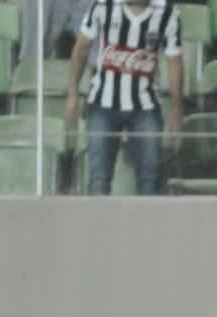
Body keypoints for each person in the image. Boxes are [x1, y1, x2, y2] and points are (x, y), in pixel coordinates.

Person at [66, 0, 184, 195]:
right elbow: (81, 49)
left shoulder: (167, 12)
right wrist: (72, 93)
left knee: (150, 181)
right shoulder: (103, 5)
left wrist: (176, 108)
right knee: (98, 180)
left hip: (146, 106)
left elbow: (175, 61)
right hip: (102, 103)